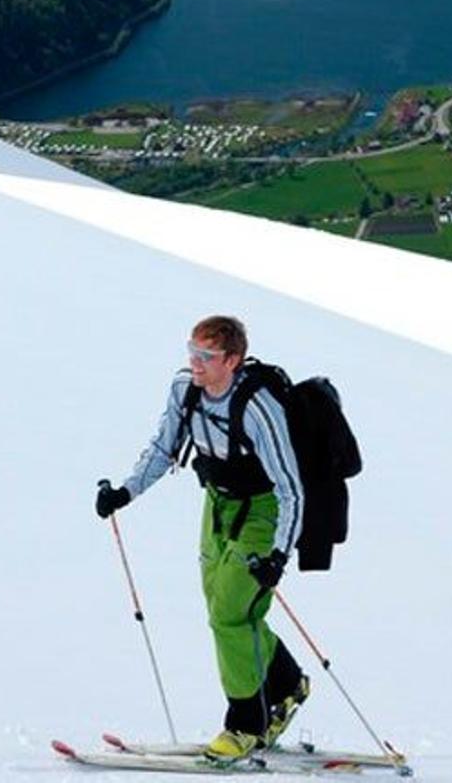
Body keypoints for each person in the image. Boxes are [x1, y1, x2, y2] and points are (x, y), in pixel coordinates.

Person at [95, 315, 310, 760]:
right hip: (217, 506)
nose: (195, 362)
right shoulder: (186, 389)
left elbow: (291, 488)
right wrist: (125, 492)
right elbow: (163, 447)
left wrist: (278, 555)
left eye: (206, 356)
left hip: (262, 513)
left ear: (232, 360)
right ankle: (288, 683)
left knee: (230, 615)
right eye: (191, 351)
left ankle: (246, 725)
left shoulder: (257, 408)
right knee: (225, 607)